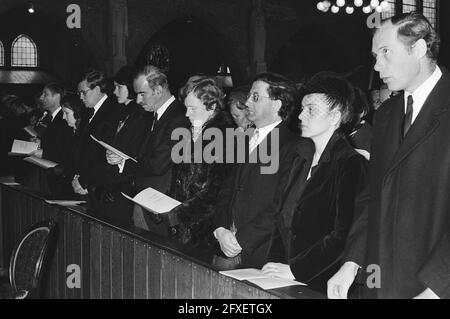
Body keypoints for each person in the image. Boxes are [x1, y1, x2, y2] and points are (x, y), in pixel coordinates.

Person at [328, 12, 450, 299]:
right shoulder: (385, 115)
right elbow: (373, 196)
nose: (377, 65)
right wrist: (352, 262)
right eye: (375, 55)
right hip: (380, 282)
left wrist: (437, 287)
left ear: (418, 49)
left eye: (386, 52)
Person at [261, 73, 369, 294]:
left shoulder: (351, 164)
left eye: (311, 109)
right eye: (302, 108)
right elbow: (281, 217)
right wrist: (273, 264)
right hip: (283, 279)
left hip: (323, 283)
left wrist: (295, 270)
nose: (301, 115)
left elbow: (343, 236)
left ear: (335, 116)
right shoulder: (300, 158)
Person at [213, 72, 300, 268]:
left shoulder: (292, 146)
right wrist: (220, 229)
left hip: (262, 253)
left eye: (256, 97)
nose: (247, 103)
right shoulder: (246, 138)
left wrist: (240, 240)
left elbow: (281, 206)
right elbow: (227, 190)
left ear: (276, 105)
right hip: (227, 245)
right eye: (249, 96)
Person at [106, 65, 190, 234]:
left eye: (142, 94)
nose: (137, 100)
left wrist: (124, 164)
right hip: (146, 202)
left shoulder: (178, 117)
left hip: (159, 209)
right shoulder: (156, 115)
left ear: (158, 90)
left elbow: (159, 164)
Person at [161, 77, 235, 248]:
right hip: (182, 227)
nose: (187, 114)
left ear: (212, 107)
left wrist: (179, 214)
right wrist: (164, 205)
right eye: (186, 108)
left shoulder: (227, 137)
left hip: (204, 232)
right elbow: (179, 178)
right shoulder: (191, 131)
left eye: (192, 108)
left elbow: (217, 191)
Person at [100, 65, 149, 226]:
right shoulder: (121, 111)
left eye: (119, 87)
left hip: (125, 188)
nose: (114, 92)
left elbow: (134, 152)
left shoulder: (142, 115)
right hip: (111, 185)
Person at [72, 69, 121, 206]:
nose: (81, 97)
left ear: (98, 89)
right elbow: (80, 146)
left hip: (99, 187)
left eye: (84, 92)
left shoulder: (113, 111)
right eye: (79, 93)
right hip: (83, 182)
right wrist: (77, 176)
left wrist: (84, 182)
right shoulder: (87, 111)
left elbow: (101, 154)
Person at [35, 83, 74, 198]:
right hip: (52, 175)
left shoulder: (65, 118)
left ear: (57, 97)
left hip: (61, 177)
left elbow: (66, 149)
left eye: (45, 94)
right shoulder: (53, 117)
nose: (41, 98)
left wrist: (44, 152)